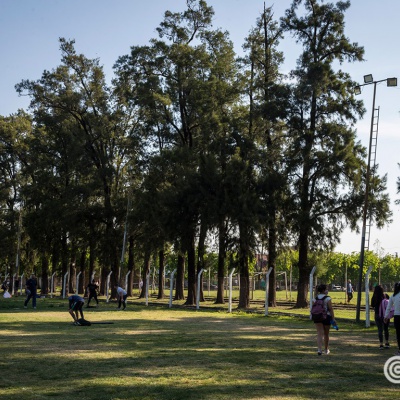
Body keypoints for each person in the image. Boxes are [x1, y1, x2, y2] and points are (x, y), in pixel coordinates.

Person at [313, 283, 336, 356]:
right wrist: (333, 318)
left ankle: (319, 349)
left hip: (317, 317)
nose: (327, 290)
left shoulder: (315, 298)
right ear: (323, 290)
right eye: (326, 289)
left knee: (319, 334)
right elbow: (331, 309)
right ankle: (326, 349)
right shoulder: (328, 298)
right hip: (326, 317)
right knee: (326, 334)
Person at [371, 284, 390, 349]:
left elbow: (372, 305)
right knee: (386, 329)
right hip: (385, 315)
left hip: (377, 314)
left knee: (380, 330)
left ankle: (381, 344)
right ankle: (387, 342)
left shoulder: (374, 297)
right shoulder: (385, 296)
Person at [384, 282, 400, 356]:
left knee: (398, 334)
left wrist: (386, 317)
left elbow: (388, 308)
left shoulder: (393, 296)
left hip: (397, 316)